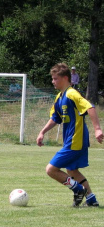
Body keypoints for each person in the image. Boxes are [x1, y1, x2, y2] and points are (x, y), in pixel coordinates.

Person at [36, 63, 103, 207]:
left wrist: (97, 129)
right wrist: (42, 132)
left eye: (55, 79)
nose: (53, 81)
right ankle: (91, 200)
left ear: (65, 78)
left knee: (51, 169)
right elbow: (55, 118)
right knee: (72, 170)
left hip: (75, 140)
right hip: (71, 141)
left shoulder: (72, 94)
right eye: (52, 79)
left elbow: (89, 107)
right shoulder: (59, 97)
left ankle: (79, 190)